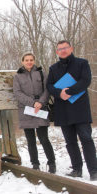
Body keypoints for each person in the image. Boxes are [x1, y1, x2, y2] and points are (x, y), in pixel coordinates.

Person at [47, 40, 97, 181]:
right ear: (57, 52)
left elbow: (86, 80)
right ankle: (76, 169)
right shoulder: (53, 68)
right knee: (70, 142)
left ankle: (93, 170)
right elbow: (49, 86)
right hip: (63, 110)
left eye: (65, 48)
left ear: (71, 48)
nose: (63, 50)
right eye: (60, 49)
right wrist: (59, 93)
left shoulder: (82, 63)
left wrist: (69, 91)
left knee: (86, 139)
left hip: (80, 108)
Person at [13, 52, 56, 173]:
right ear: (22, 62)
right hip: (26, 110)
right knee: (30, 140)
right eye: (26, 60)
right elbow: (17, 93)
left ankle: (52, 163)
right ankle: (35, 164)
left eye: (31, 60)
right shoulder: (17, 76)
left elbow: (47, 89)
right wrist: (32, 103)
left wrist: (40, 103)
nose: (29, 62)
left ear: (34, 61)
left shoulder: (41, 73)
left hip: (40, 109)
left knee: (44, 139)